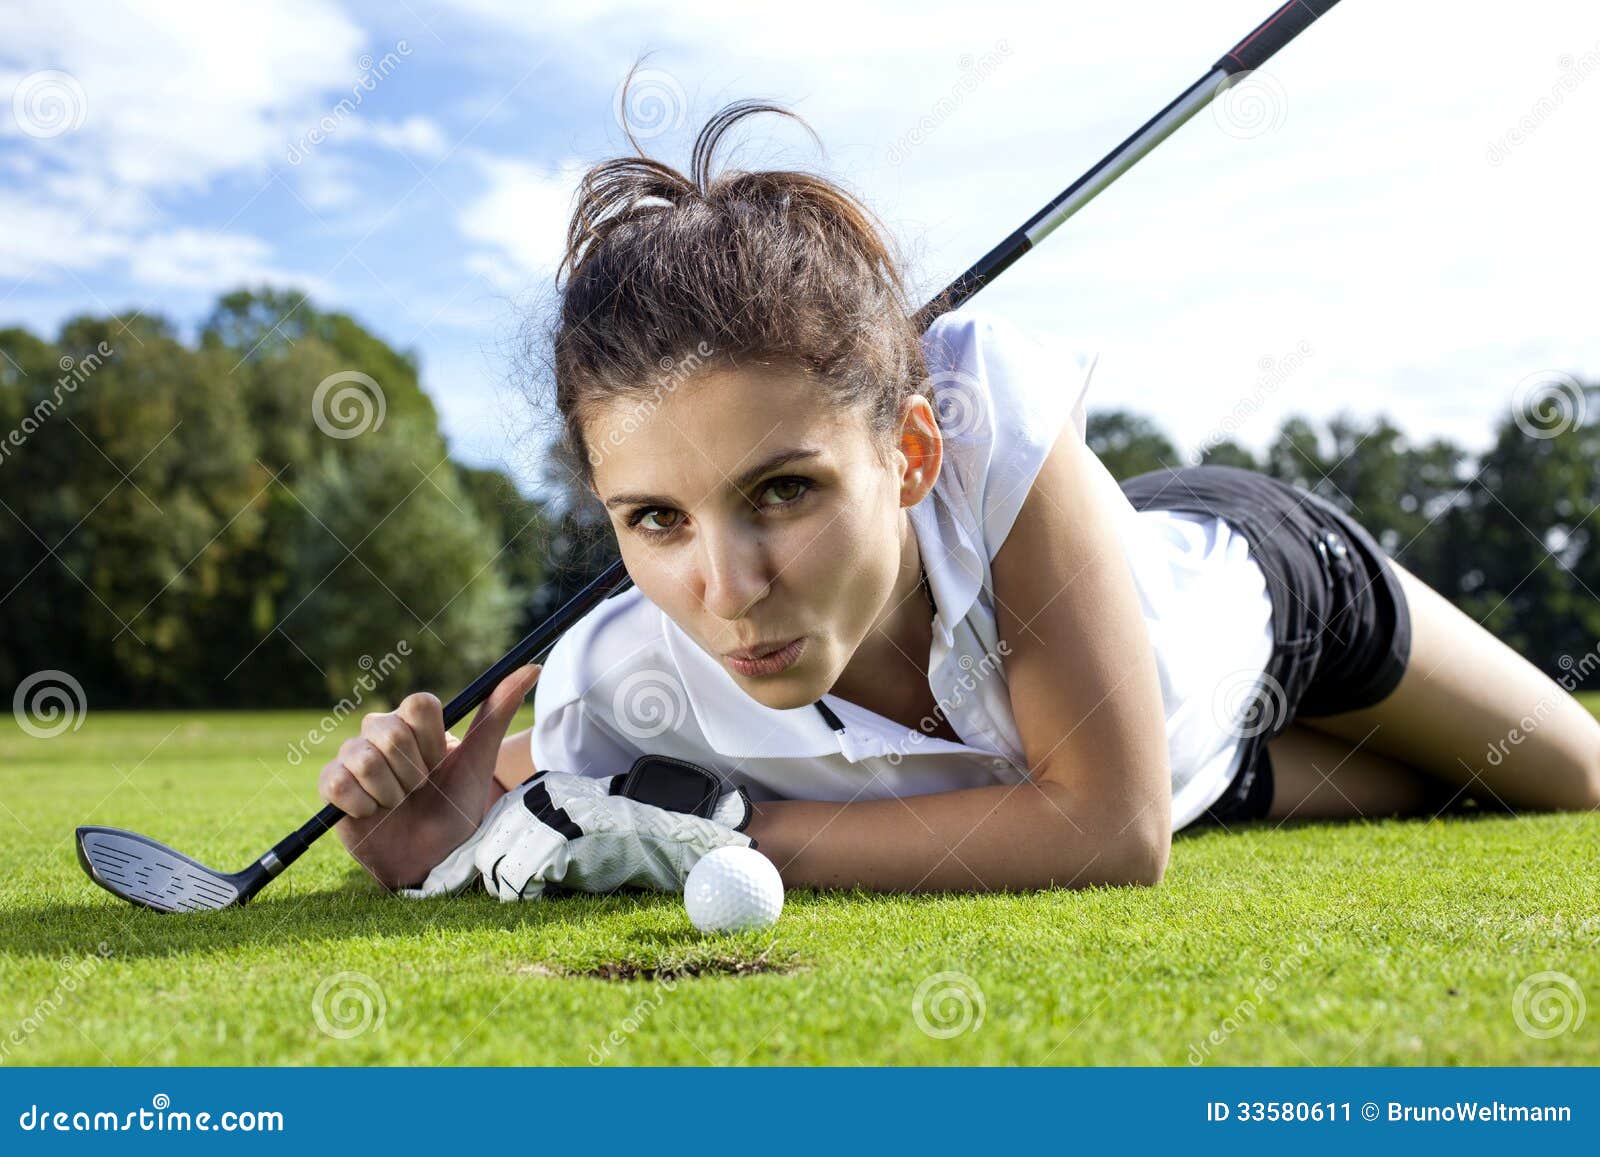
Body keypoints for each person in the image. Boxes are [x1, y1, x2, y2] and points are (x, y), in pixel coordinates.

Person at [317, 97, 1600, 901]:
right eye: (655, 517)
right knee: (1430, 789)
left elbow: (1106, 830)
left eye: (783, 489)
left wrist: (734, 830)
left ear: (910, 453)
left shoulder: (996, 440)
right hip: (1164, 741)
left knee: (1576, 783)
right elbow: (564, 794)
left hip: (1269, 591)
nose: (727, 588)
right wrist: (455, 823)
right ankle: (1226, 773)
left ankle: (1206, 754)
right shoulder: (613, 680)